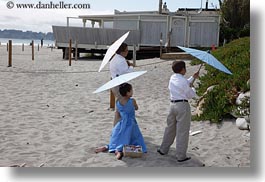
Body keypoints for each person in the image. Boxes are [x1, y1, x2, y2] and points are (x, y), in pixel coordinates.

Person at [157, 60, 199, 162]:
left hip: (172, 105)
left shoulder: (173, 77)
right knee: (182, 131)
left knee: (170, 128)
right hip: (182, 106)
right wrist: (193, 88)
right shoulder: (183, 81)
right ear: (183, 69)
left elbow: (184, 84)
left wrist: (193, 78)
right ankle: (181, 156)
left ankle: (163, 149)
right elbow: (190, 94)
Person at [95, 83, 147, 160]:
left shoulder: (118, 102)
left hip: (122, 122)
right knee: (133, 138)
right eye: (131, 90)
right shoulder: (132, 101)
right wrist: (134, 106)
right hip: (131, 122)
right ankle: (119, 151)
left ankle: (109, 147)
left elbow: (118, 114)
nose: (132, 91)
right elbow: (136, 108)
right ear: (128, 92)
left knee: (118, 138)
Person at [109, 43, 134, 126]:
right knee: (122, 107)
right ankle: (118, 127)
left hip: (114, 83)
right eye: (126, 50)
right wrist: (130, 67)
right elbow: (126, 74)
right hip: (120, 85)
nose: (127, 52)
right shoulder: (120, 60)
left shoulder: (114, 58)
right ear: (122, 51)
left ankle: (118, 126)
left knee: (120, 106)